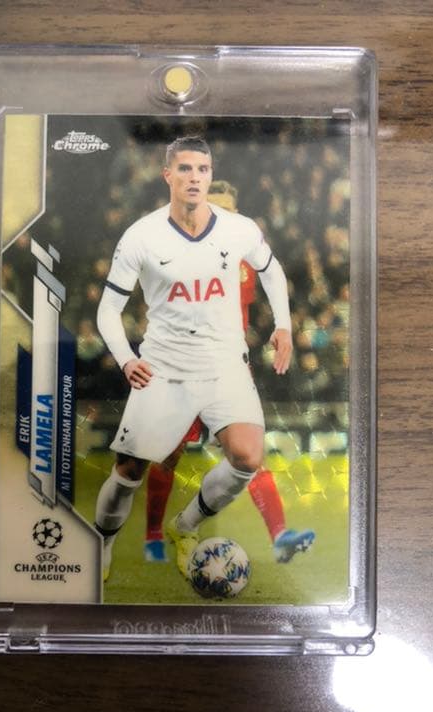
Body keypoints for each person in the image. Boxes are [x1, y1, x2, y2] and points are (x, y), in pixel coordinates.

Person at [95, 136, 299, 581]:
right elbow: (108, 309)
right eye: (185, 169)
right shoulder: (141, 236)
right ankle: (102, 544)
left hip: (225, 364)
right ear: (167, 175)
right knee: (129, 470)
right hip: (165, 368)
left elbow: (272, 271)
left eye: (202, 169)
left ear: (211, 174)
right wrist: (127, 359)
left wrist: (283, 325)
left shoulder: (238, 228)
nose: (194, 177)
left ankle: (184, 527)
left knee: (247, 456)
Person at [143, 180, 315, 565]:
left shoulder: (243, 259)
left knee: (249, 455)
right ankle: (154, 534)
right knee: (168, 454)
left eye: (229, 211)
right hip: (182, 367)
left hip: (229, 368)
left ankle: (280, 535)